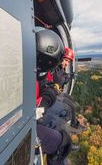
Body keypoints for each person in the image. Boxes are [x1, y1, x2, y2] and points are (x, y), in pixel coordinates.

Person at [35, 28, 73, 165]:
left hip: (37, 114)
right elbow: (50, 87)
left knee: (67, 110)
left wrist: (43, 103)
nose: (66, 64)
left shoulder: (40, 73)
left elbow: (48, 88)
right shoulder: (42, 73)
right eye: (65, 60)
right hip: (28, 122)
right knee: (62, 140)